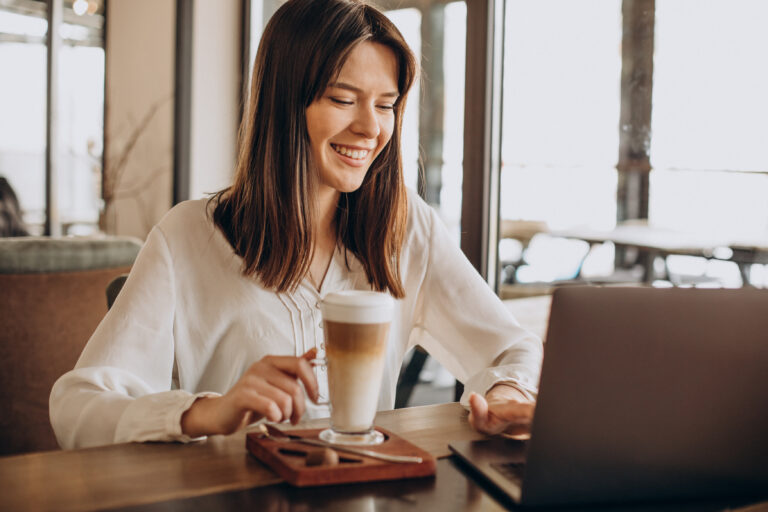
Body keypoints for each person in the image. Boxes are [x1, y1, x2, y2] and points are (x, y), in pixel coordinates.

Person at [50, 0, 542, 449]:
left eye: (386, 105)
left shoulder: (406, 227)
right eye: (343, 99)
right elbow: (78, 407)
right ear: (287, 103)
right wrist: (208, 411)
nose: (371, 128)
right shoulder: (187, 238)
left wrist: (503, 395)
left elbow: (511, 348)